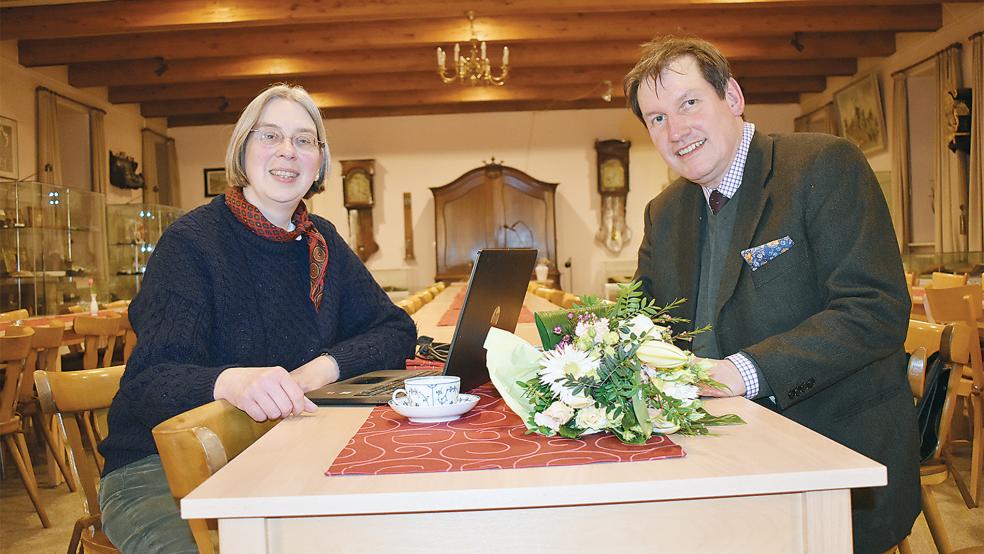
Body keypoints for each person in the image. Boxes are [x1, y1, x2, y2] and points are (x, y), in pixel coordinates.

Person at [624, 36, 919, 553]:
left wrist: (742, 372)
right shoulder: (664, 212)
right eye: (656, 119)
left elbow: (874, 310)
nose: (676, 130)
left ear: (732, 97)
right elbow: (643, 321)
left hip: (832, 453)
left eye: (688, 103)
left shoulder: (824, 165)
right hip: (712, 455)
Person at [98, 84, 417, 553]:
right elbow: (151, 379)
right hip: (155, 470)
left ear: (319, 161)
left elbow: (395, 329)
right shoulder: (191, 243)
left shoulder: (319, 240)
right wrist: (231, 382)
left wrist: (317, 371)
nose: (288, 151)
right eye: (269, 136)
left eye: (304, 140)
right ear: (242, 149)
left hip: (275, 452)